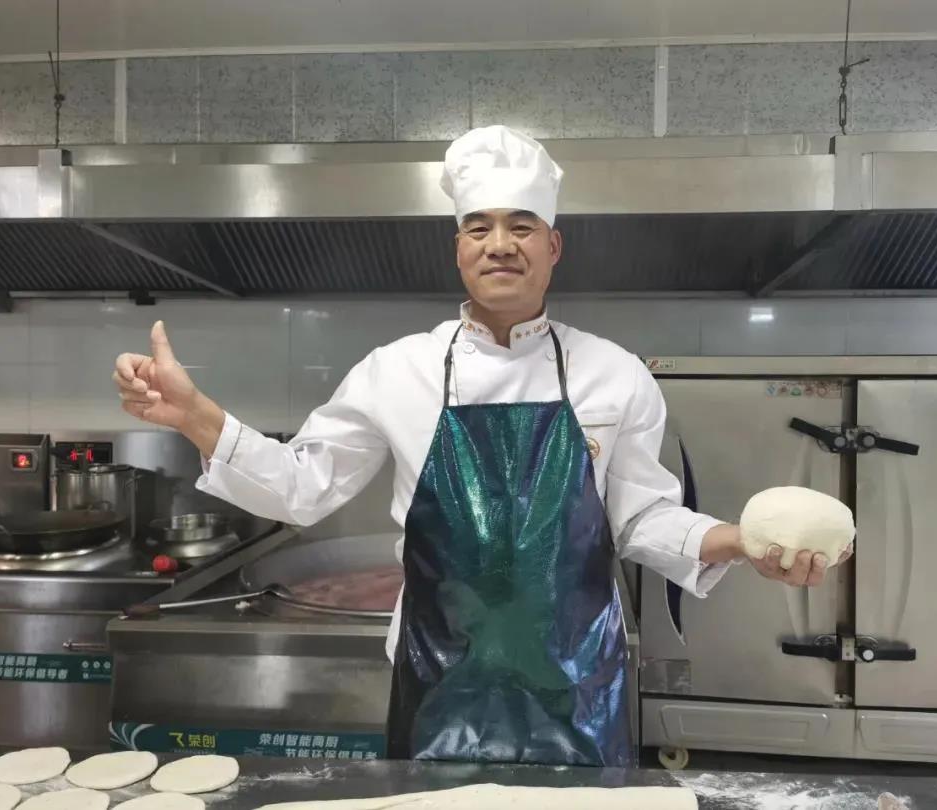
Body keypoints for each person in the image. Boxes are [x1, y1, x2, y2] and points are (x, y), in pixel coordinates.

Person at [113, 125, 846, 768]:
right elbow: (300, 488)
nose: (500, 244)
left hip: (578, 687)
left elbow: (642, 518)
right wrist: (196, 416)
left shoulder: (614, 374)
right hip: (439, 680)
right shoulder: (395, 370)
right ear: (459, 248)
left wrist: (738, 542)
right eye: (479, 227)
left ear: (553, 246)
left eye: (522, 226)